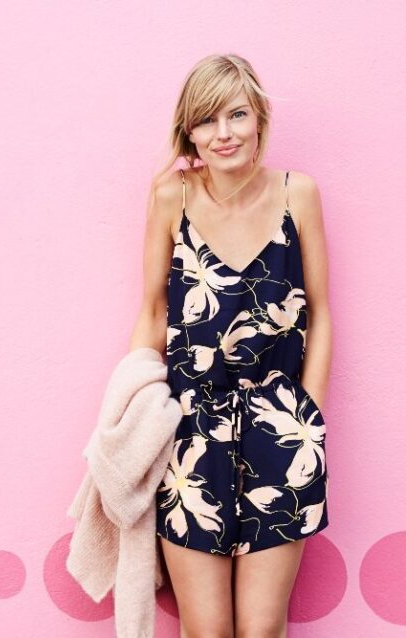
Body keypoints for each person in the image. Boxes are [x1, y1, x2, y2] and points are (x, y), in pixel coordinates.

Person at [131, 53, 332, 637]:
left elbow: (319, 314)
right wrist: (136, 417)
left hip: (281, 428)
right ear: (188, 131)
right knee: (207, 629)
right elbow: (151, 313)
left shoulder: (300, 194)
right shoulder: (172, 197)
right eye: (206, 121)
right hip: (190, 434)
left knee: (264, 628)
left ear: (260, 118)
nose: (224, 134)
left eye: (236, 115)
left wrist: (308, 416)